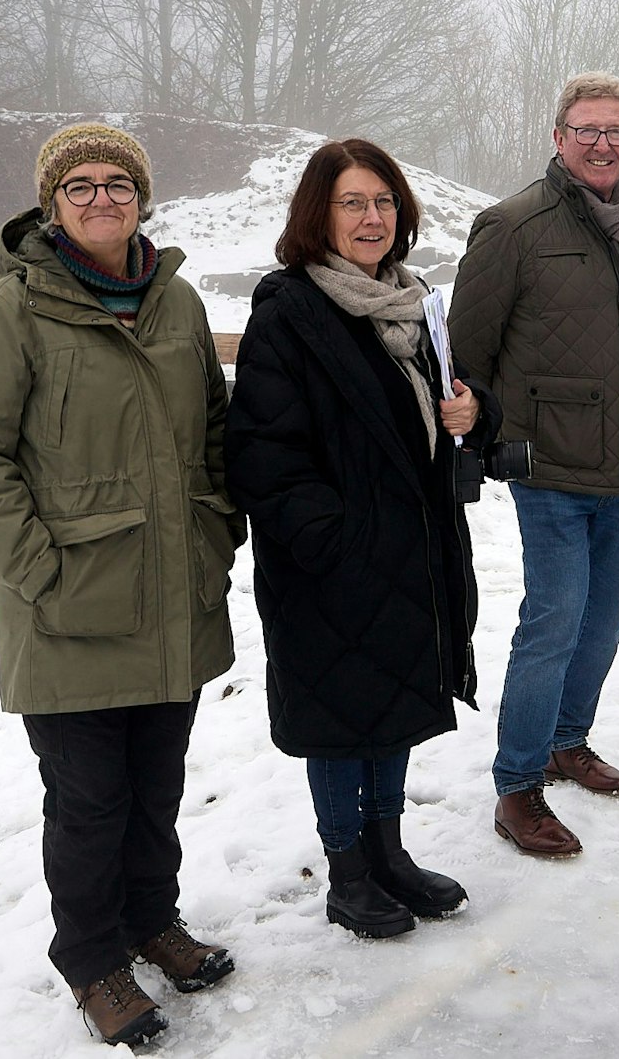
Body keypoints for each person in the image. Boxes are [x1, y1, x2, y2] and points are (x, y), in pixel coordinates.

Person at [0, 122, 243, 1048]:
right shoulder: (9, 313)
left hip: (172, 597)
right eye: (82, 186)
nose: (104, 197)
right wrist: (38, 568)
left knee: (156, 786)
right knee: (87, 802)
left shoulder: (178, 304)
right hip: (69, 608)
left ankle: (153, 919)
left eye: (121, 183)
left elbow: (216, 435)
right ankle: (92, 960)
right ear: (52, 204)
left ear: (142, 199)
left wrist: (218, 530)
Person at [226, 139, 500, 938]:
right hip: (335, 567)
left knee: (393, 710)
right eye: (352, 203)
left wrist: (472, 408)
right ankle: (348, 870)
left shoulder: (415, 307)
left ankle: (389, 853)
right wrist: (339, 545)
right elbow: (265, 459)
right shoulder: (291, 313)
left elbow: (438, 411)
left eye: (382, 202)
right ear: (319, 214)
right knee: (344, 718)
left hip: (413, 554)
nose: (371, 217)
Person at [449, 72, 619, 858]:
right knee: (554, 620)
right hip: (549, 467)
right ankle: (517, 786)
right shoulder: (511, 225)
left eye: (615, 132)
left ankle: (567, 741)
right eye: (587, 130)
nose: (602, 144)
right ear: (558, 138)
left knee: (607, 615)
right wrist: (486, 440)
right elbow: (468, 353)